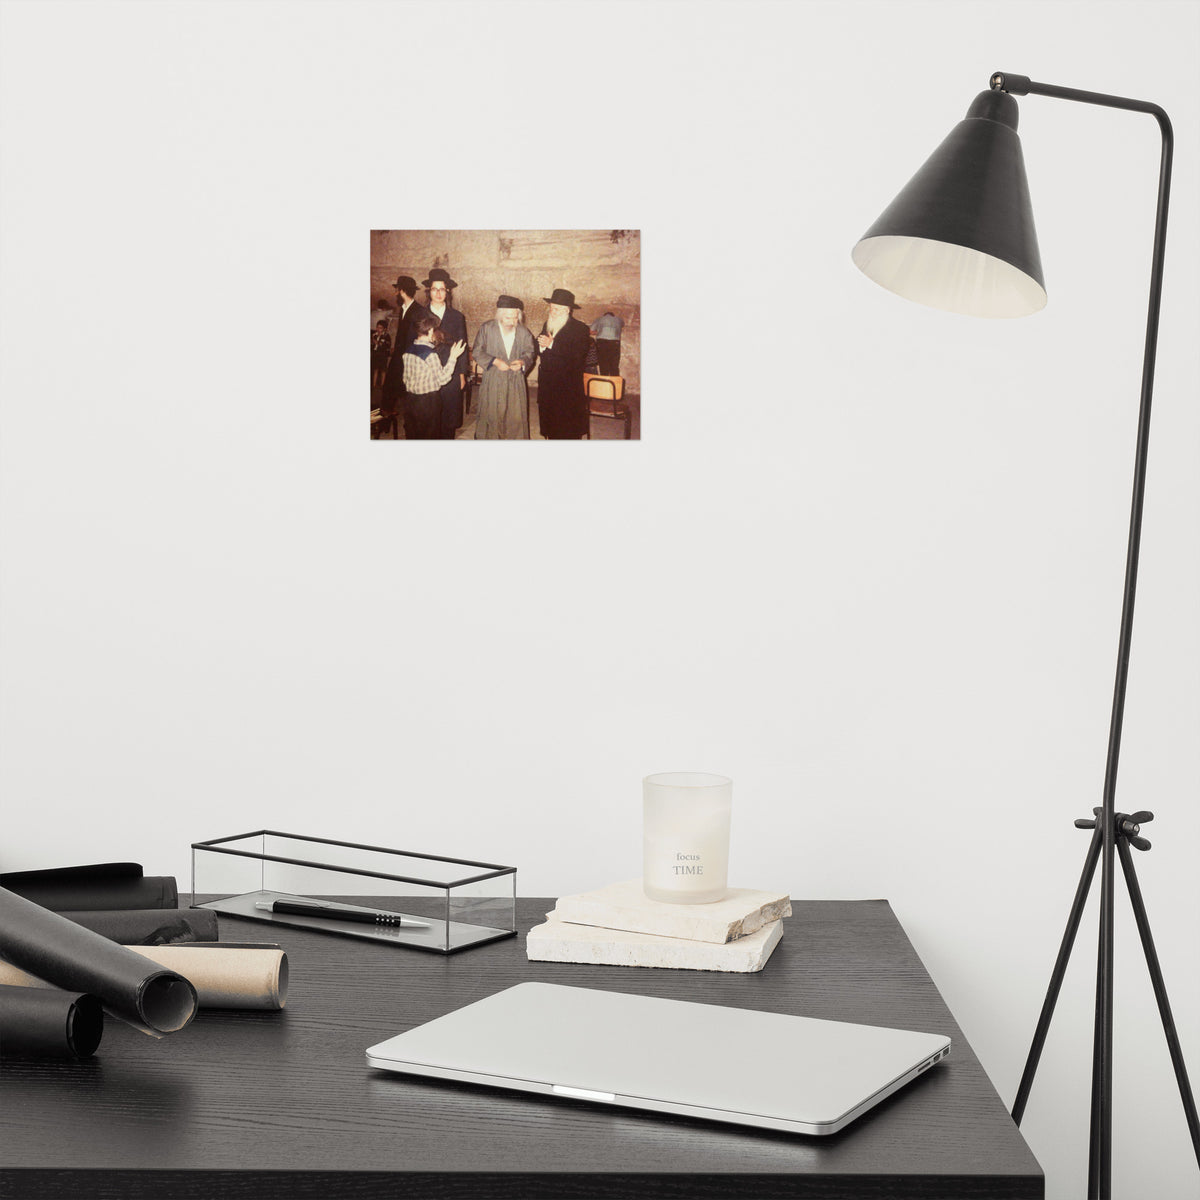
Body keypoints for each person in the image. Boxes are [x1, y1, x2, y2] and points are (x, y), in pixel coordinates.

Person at [471, 296, 538, 440]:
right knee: (491, 416)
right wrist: (494, 361)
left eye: (515, 318)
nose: (512, 322)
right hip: (493, 379)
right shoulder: (487, 328)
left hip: (515, 380)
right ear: (500, 315)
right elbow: (477, 351)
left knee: (515, 418)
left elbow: (530, 352)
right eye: (508, 318)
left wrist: (522, 362)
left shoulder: (523, 332)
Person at [536, 288, 591, 439]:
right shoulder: (548, 324)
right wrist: (540, 345)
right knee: (550, 424)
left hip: (567, 386)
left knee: (566, 428)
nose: (553, 312)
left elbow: (578, 356)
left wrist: (552, 345)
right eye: (552, 308)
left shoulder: (580, 329)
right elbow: (540, 344)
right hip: (548, 384)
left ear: (567, 310)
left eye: (557, 309)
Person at [402, 315, 467, 440]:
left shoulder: (408, 350)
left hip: (410, 400)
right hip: (428, 402)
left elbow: (405, 378)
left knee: (413, 433)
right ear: (431, 331)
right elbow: (443, 379)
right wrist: (453, 357)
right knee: (430, 434)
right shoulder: (430, 354)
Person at [423, 267, 469, 439]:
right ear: (429, 291)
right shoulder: (420, 314)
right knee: (429, 415)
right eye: (435, 289)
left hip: (451, 371)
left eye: (442, 289)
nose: (438, 293)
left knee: (449, 416)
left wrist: (462, 374)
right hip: (426, 372)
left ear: (447, 291)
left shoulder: (457, 317)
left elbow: (462, 344)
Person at [380, 276, 427, 437]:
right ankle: (384, 422)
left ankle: (410, 429)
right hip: (399, 357)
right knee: (388, 390)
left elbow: (419, 338)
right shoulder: (403, 309)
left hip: (410, 359)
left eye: (397, 290)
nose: (395, 294)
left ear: (402, 291)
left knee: (408, 396)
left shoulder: (419, 311)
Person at [589, 310, 624, 376]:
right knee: (614, 366)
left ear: (604, 315)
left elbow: (590, 331)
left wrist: (599, 332)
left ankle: (605, 383)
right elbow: (622, 325)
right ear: (613, 315)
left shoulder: (600, 319)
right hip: (615, 342)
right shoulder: (619, 319)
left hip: (602, 342)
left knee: (603, 365)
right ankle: (615, 384)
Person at [371, 321, 391, 391]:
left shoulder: (386, 336)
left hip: (383, 355)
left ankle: (382, 385)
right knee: (375, 369)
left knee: (383, 370)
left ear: (384, 329)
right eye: (377, 327)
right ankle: (374, 384)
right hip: (376, 354)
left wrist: (373, 340)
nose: (378, 329)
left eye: (380, 328)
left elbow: (380, 344)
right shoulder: (375, 334)